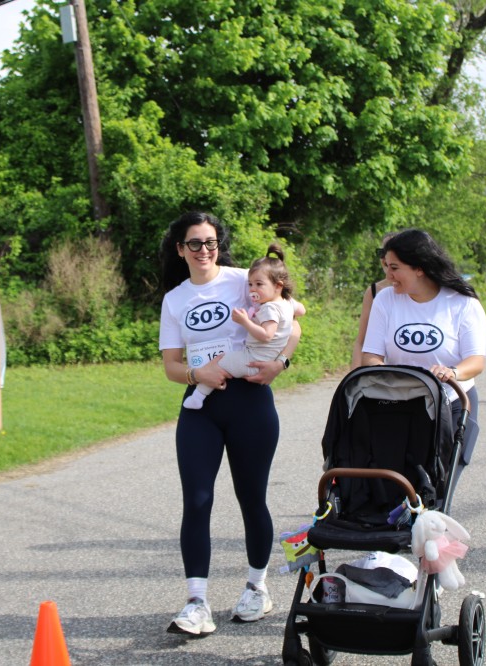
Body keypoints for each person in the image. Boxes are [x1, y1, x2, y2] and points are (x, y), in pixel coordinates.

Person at [158, 211, 300, 635]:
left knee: (251, 498)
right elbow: (170, 366)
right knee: (197, 500)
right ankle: (196, 603)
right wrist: (195, 374)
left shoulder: (245, 279)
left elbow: (293, 317)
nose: (204, 250)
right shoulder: (174, 299)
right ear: (180, 249)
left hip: (250, 401)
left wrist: (281, 363)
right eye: (195, 243)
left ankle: (257, 588)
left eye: (211, 242)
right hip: (200, 407)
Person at [361, 229, 486, 488]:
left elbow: (476, 362)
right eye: (387, 266)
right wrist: (385, 373)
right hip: (399, 404)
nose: (388, 275)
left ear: (419, 268)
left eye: (395, 268)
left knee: (437, 489)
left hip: (451, 402)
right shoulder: (385, 300)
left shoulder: (462, 303)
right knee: (396, 487)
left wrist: (452, 372)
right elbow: (371, 356)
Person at [183, 243, 305, 410]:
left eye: (259, 284)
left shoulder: (269, 309)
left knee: (220, 363)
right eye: (250, 284)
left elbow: (266, 335)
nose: (253, 289)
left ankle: (198, 397)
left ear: (278, 286)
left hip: (254, 359)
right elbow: (302, 310)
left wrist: (245, 321)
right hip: (267, 358)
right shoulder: (287, 302)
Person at [350, 233, 395, 370]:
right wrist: (354, 377)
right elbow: (361, 340)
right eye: (381, 252)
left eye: (389, 252)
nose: (384, 258)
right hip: (381, 373)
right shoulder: (374, 291)